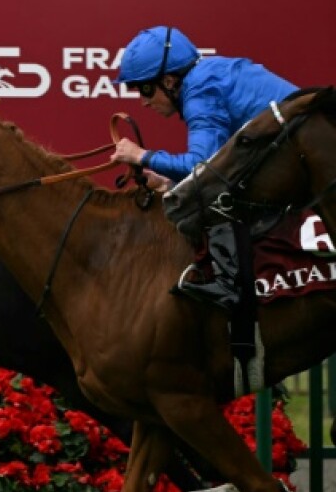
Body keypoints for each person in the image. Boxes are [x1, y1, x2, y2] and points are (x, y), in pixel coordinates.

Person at [110, 25, 298, 308]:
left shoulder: (201, 90)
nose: (144, 102)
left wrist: (142, 156)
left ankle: (228, 284)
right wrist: (166, 183)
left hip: (300, 159)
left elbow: (203, 168)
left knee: (207, 193)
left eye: (146, 89)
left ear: (171, 81)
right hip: (295, 153)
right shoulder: (207, 76)